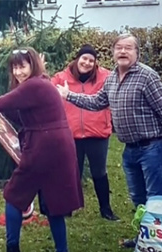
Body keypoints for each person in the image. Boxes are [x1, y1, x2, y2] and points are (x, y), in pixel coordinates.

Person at [56, 34, 162, 247]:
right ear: (112, 52)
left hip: (153, 147)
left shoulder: (148, 77)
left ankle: (161, 245)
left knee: (156, 198)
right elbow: (97, 102)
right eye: (119, 47)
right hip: (130, 150)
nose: (122, 51)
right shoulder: (111, 79)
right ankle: (144, 238)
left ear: (137, 53)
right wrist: (69, 95)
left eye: (128, 48)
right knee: (138, 198)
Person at [0, 47, 83, 252]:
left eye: (22, 65)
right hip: (59, 146)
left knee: (13, 196)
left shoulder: (34, 85)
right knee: (54, 203)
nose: (18, 71)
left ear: (33, 64)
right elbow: (18, 114)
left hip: (43, 147)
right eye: (14, 67)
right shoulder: (41, 85)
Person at [52, 44, 119, 221]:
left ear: (95, 62)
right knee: (72, 173)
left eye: (91, 60)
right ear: (77, 59)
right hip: (70, 134)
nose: (87, 63)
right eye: (84, 58)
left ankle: (106, 209)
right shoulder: (60, 78)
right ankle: (67, 208)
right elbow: (47, 97)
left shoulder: (106, 77)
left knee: (99, 173)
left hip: (97, 134)